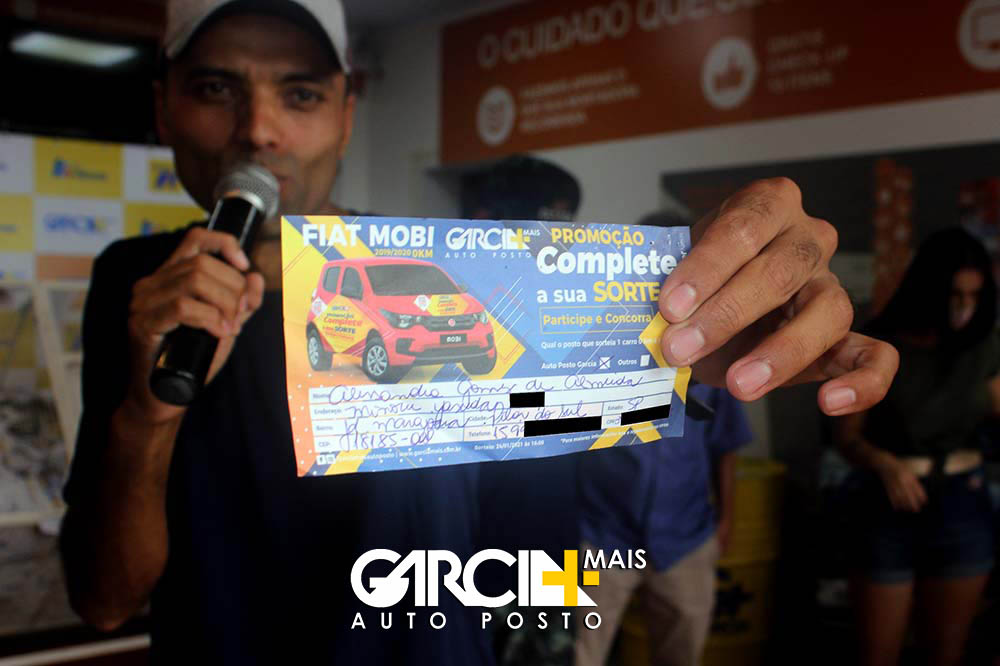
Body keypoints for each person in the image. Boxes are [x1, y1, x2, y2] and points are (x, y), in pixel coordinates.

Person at [58, 0, 899, 663]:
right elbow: (105, 600)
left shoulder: (449, 272)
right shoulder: (138, 288)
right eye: (215, 88)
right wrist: (146, 414)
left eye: (301, 93)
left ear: (347, 114)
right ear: (163, 107)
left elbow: (530, 537)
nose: (259, 129)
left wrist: (678, 336)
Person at [834, 228, 999, 666]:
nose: (964, 306)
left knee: (945, 653)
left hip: (963, 500)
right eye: (954, 295)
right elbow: (846, 437)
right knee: (877, 653)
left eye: (974, 295)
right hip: (886, 501)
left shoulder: (983, 345)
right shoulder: (879, 342)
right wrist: (885, 464)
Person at [575, 382, 752, 666]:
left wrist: (727, 518)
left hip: (686, 536)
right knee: (575, 651)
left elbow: (725, 443)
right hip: (600, 533)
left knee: (682, 654)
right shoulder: (594, 364)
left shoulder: (708, 365)